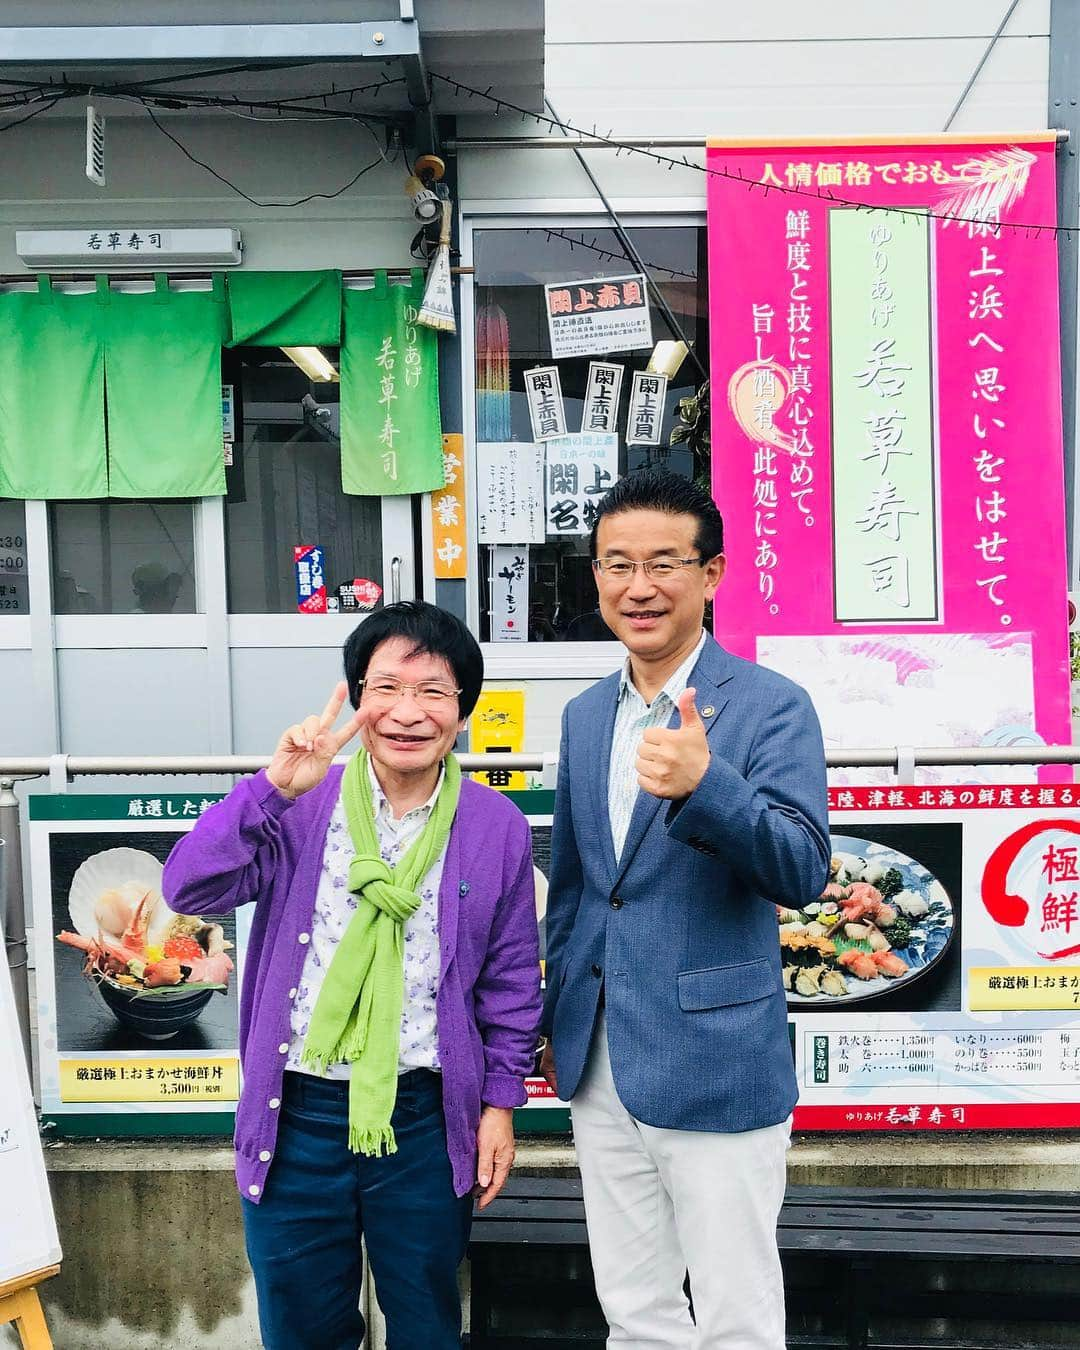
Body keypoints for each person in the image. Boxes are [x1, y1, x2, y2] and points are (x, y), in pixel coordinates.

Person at [163, 601, 542, 1350]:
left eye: (433, 691)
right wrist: (270, 789)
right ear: (358, 698)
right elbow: (189, 890)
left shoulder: (496, 825)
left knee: (428, 1324)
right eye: (386, 688)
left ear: (462, 711)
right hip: (295, 1113)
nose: (408, 712)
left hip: (426, 1120)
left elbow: (510, 985)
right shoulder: (302, 808)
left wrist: (500, 1105)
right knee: (303, 1329)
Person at [539, 467, 829, 1349]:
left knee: (736, 1316)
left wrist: (710, 787)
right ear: (594, 577)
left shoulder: (773, 707)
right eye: (616, 564)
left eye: (665, 562)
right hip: (599, 1063)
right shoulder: (587, 715)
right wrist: (556, 1022)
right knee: (635, 1311)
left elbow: (804, 868)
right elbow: (582, 887)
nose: (639, 587)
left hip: (716, 1059)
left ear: (713, 574)